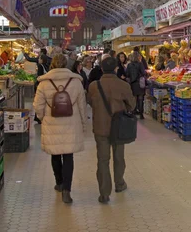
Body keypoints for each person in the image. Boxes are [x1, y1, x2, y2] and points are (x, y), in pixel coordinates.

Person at [33, 54, 87, 204]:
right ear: (66, 65)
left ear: (52, 65)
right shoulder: (76, 82)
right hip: (71, 123)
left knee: (55, 154)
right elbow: (82, 105)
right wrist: (83, 123)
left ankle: (59, 182)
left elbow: (37, 105)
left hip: (51, 123)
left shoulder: (44, 83)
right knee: (68, 156)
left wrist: (42, 117)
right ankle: (67, 190)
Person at [86, 57, 136, 203]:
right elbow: (132, 105)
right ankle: (119, 183)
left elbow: (90, 101)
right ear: (116, 69)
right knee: (119, 157)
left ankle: (104, 192)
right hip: (119, 127)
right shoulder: (123, 85)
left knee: (102, 160)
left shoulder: (94, 86)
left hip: (100, 127)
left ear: (101, 69)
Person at [127, 51, 146, 119]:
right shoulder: (140, 64)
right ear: (138, 57)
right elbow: (144, 73)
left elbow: (127, 74)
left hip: (133, 83)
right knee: (140, 99)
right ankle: (141, 114)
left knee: (134, 98)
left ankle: (133, 112)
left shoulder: (129, 65)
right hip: (140, 83)